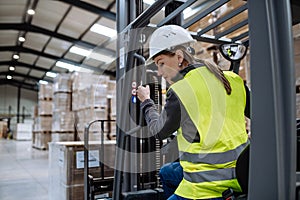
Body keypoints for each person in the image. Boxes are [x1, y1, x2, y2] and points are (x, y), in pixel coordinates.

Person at [137, 25, 250, 200]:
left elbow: (158, 131)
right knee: (167, 172)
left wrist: (146, 102)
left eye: (161, 63)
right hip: (241, 175)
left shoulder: (182, 90)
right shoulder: (234, 80)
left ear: (180, 57)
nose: (159, 72)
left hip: (205, 185)